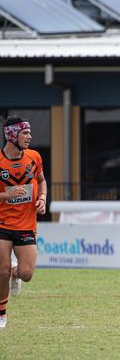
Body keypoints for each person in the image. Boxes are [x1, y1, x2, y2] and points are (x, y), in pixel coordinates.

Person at [0, 116, 47, 328]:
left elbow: (41, 181)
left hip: (27, 225)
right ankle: (2, 314)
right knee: (1, 270)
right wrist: (5, 197)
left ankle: (15, 273)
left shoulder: (34, 157)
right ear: (11, 135)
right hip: (2, 224)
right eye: (25, 133)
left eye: (29, 133)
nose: (30, 136)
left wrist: (43, 198)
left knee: (27, 274)